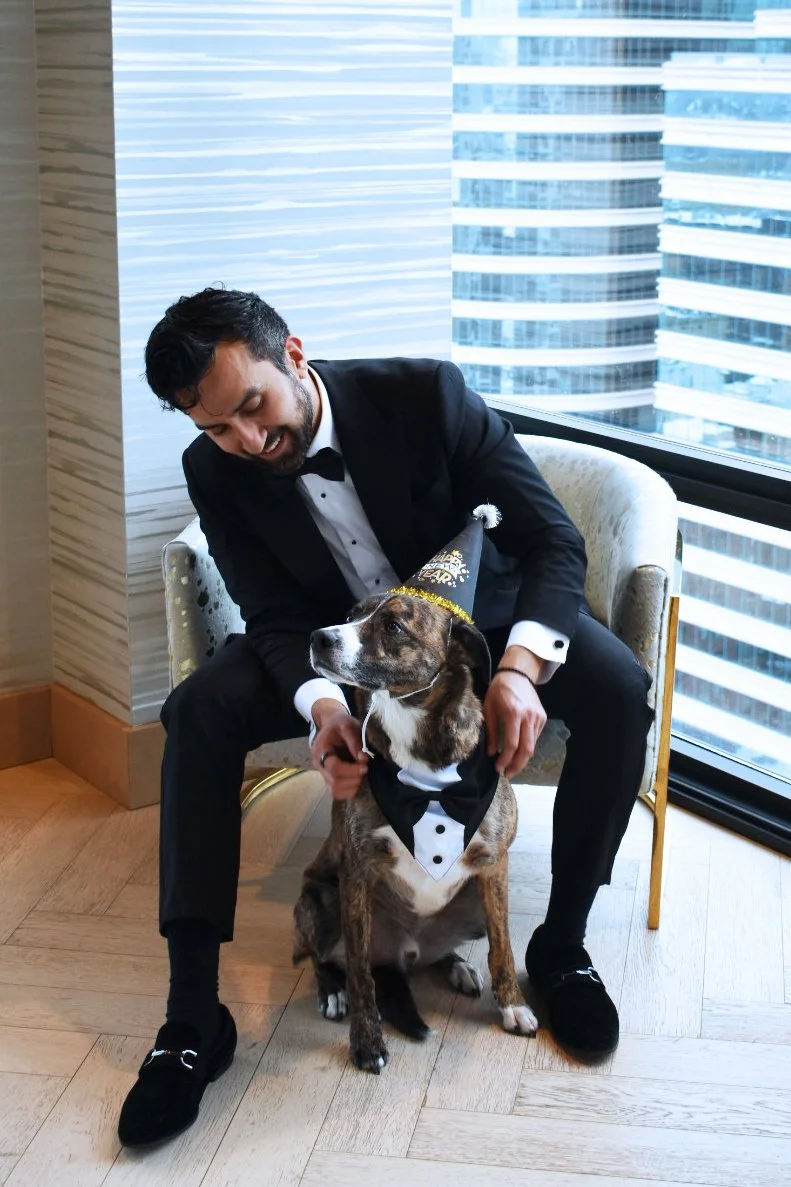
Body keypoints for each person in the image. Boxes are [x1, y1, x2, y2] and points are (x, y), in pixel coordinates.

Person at [118, 286, 653, 1147]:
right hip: (328, 644)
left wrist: (519, 669)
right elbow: (270, 613)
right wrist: (325, 708)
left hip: (477, 628)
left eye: (253, 406)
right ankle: (191, 1019)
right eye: (216, 427)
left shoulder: (426, 394)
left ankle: (560, 948)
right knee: (198, 709)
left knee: (619, 688)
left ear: (294, 354)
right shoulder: (212, 469)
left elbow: (552, 537)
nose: (246, 441)